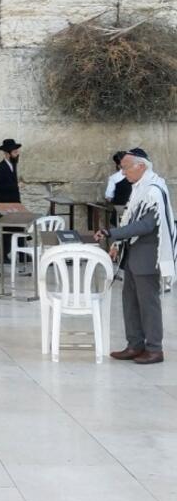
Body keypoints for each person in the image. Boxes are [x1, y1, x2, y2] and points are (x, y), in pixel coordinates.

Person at [95, 149, 177, 365]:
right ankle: (135, 345)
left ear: (141, 166)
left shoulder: (154, 191)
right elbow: (129, 219)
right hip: (132, 255)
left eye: (125, 168)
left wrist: (112, 233)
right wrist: (117, 243)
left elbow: (145, 225)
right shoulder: (139, 189)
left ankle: (154, 349)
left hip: (148, 257)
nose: (123, 173)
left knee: (148, 304)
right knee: (130, 302)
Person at [105, 150, 132, 226]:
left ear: (118, 165)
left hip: (120, 210)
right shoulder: (138, 175)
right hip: (136, 211)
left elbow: (108, 197)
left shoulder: (114, 178)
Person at [0, 139, 22, 204]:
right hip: (4, 202)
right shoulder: (0, 167)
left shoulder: (14, 165)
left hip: (15, 201)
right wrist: (16, 185)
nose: (17, 154)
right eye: (15, 152)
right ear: (7, 153)